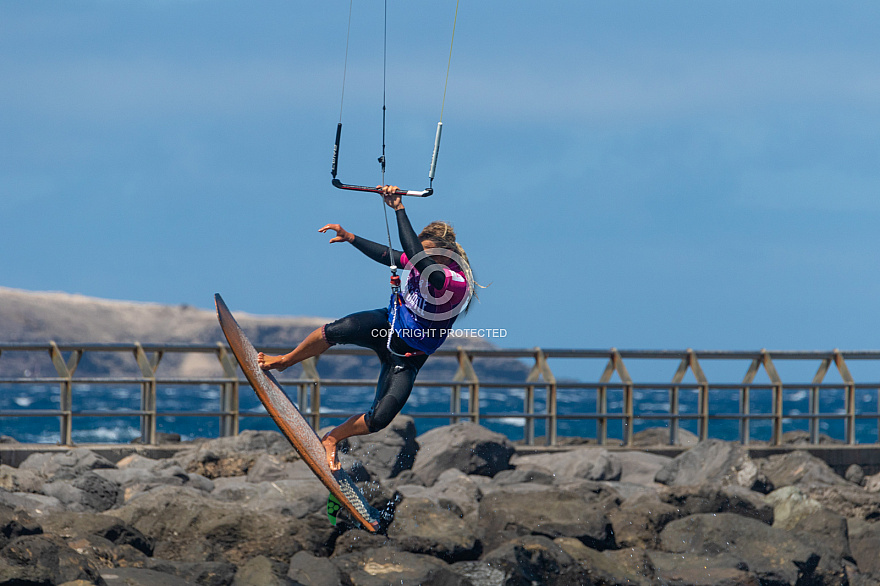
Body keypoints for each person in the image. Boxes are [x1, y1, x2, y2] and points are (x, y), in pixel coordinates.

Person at [258, 185, 474, 472]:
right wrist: (351, 238)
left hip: (408, 356)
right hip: (387, 325)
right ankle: (285, 361)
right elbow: (391, 255)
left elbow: (414, 256)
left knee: (379, 419)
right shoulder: (424, 261)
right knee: (336, 330)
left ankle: (333, 437)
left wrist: (399, 207)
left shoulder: (453, 282)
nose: (415, 261)